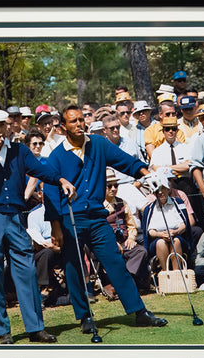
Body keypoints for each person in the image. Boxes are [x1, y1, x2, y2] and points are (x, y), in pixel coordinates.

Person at [43, 105, 168, 335]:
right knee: (74, 268)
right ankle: (85, 317)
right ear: (63, 127)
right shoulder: (56, 156)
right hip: (71, 218)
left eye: (81, 119)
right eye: (73, 121)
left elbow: (124, 161)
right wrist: (55, 226)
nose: (79, 124)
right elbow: (50, 192)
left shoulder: (98, 144)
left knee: (115, 262)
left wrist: (145, 172)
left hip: (98, 217)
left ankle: (139, 312)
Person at [0, 108, 75, 344]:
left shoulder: (19, 150)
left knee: (26, 270)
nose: (1, 131)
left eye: (2, 126)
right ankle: (2, 331)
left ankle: (36, 327)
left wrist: (59, 179)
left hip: (14, 216)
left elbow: (40, 169)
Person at [103, 168, 150, 292]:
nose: (113, 188)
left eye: (116, 185)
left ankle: (123, 281)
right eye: (109, 186)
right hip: (107, 244)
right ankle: (125, 283)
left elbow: (131, 225)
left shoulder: (122, 202)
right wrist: (112, 242)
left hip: (124, 241)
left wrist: (131, 237)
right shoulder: (97, 205)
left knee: (141, 251)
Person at [142, 181, 193, 271]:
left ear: (168, 189)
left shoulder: (178, 203)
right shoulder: (149, 209)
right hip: (158, 239)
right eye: (157, 190)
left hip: (177, 235)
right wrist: (161, 234)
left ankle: (176, 272)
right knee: (161, 243)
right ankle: (166, 274)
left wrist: (175, 232)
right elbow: (150, 231)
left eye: (163, 189)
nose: (160, 192)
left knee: (176, 241)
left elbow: (184, 224)